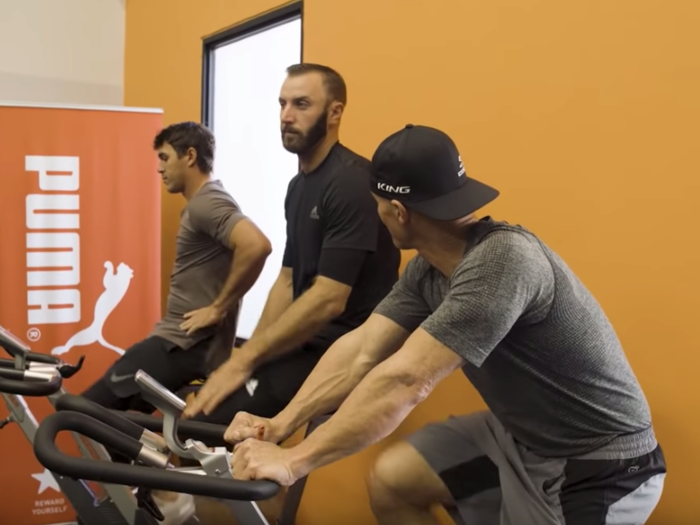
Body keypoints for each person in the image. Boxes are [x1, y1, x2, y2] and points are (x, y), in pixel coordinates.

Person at [225, 124, 667, 525]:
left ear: (398, 212)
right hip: (520, 437)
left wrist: (295, 461)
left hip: (599, 465)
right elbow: (362, 350)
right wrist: (282, 423)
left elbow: (405, 380)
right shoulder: (430, 269)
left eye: (376, 206)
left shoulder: (501, 263)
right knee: (396, 481)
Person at [183, 64, 401, 424]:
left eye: (301, 104)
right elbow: (287, 280)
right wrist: (248, 355)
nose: (286, 116)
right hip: (308, 339)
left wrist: (246, 360)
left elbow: (329, 298)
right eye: (282, 104)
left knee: (217, 423)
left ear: (335, 112)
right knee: (205, 413)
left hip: (348, 346)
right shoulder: (297, 187)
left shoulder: (351, 182)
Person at [80, 120, 272, 416]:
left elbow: (257, 245)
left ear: (190, 156)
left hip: (180, 346)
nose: (159, 168)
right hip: (182, 346)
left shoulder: (206, 203)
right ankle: (152, 454)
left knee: (79, 414)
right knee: (117, 425)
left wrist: (218, 308)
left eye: (165, 157)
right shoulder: (205, 203)